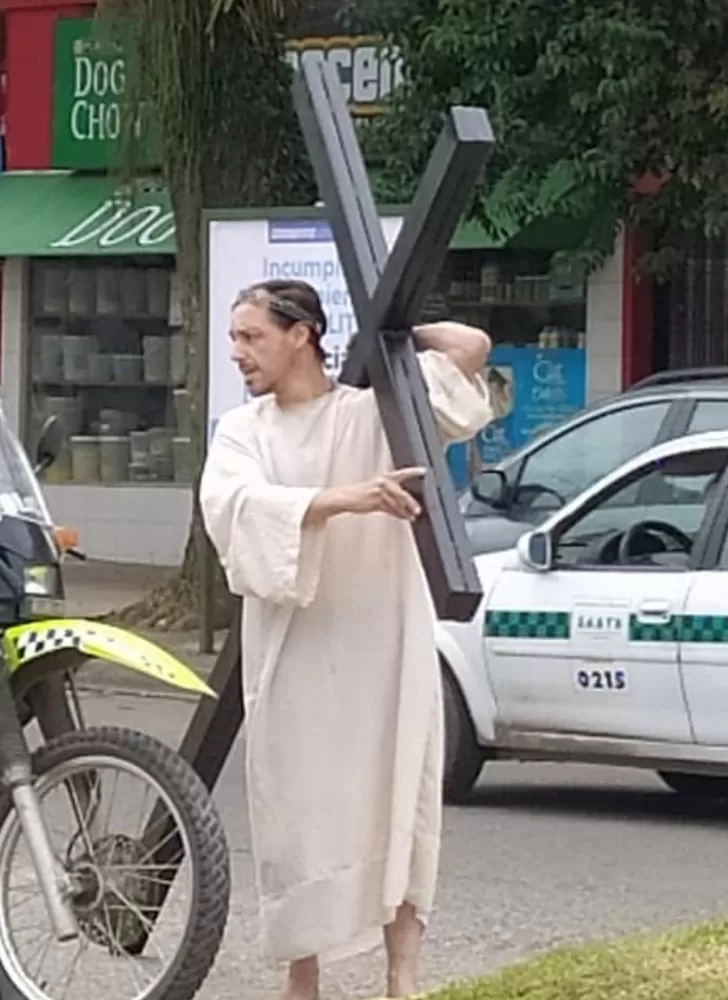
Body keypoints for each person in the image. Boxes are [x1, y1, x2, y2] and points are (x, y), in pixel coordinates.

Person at [199, 278, 493, 1000]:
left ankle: (403, 977)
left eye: (251, 336)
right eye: (234, 338)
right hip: (294, 647)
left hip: (380, 635)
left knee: (396, 796)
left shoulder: (376, 410)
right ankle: (304, 976)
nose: (237, 353)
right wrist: (343, 500)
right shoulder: (246, 430)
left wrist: (391, 328)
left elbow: (471, 350)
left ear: (300, 333)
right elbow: (234, 506)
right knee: (298, 811)